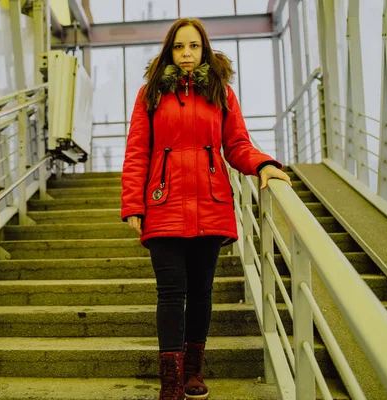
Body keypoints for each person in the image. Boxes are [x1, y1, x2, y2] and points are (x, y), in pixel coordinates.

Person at [120, 18, 292, 400]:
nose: (186, 54)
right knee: (170, 293)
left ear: (204, 50)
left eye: (194, 47)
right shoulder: (150, 94)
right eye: (179, 47)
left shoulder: (221, 93)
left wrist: (263, 164)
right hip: (163, 204)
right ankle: (170, 381)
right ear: (169, 50)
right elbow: (137, 151)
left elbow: (237, 144)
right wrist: (133, 202)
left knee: (200, 293)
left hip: (211, 203)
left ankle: (193, 372)